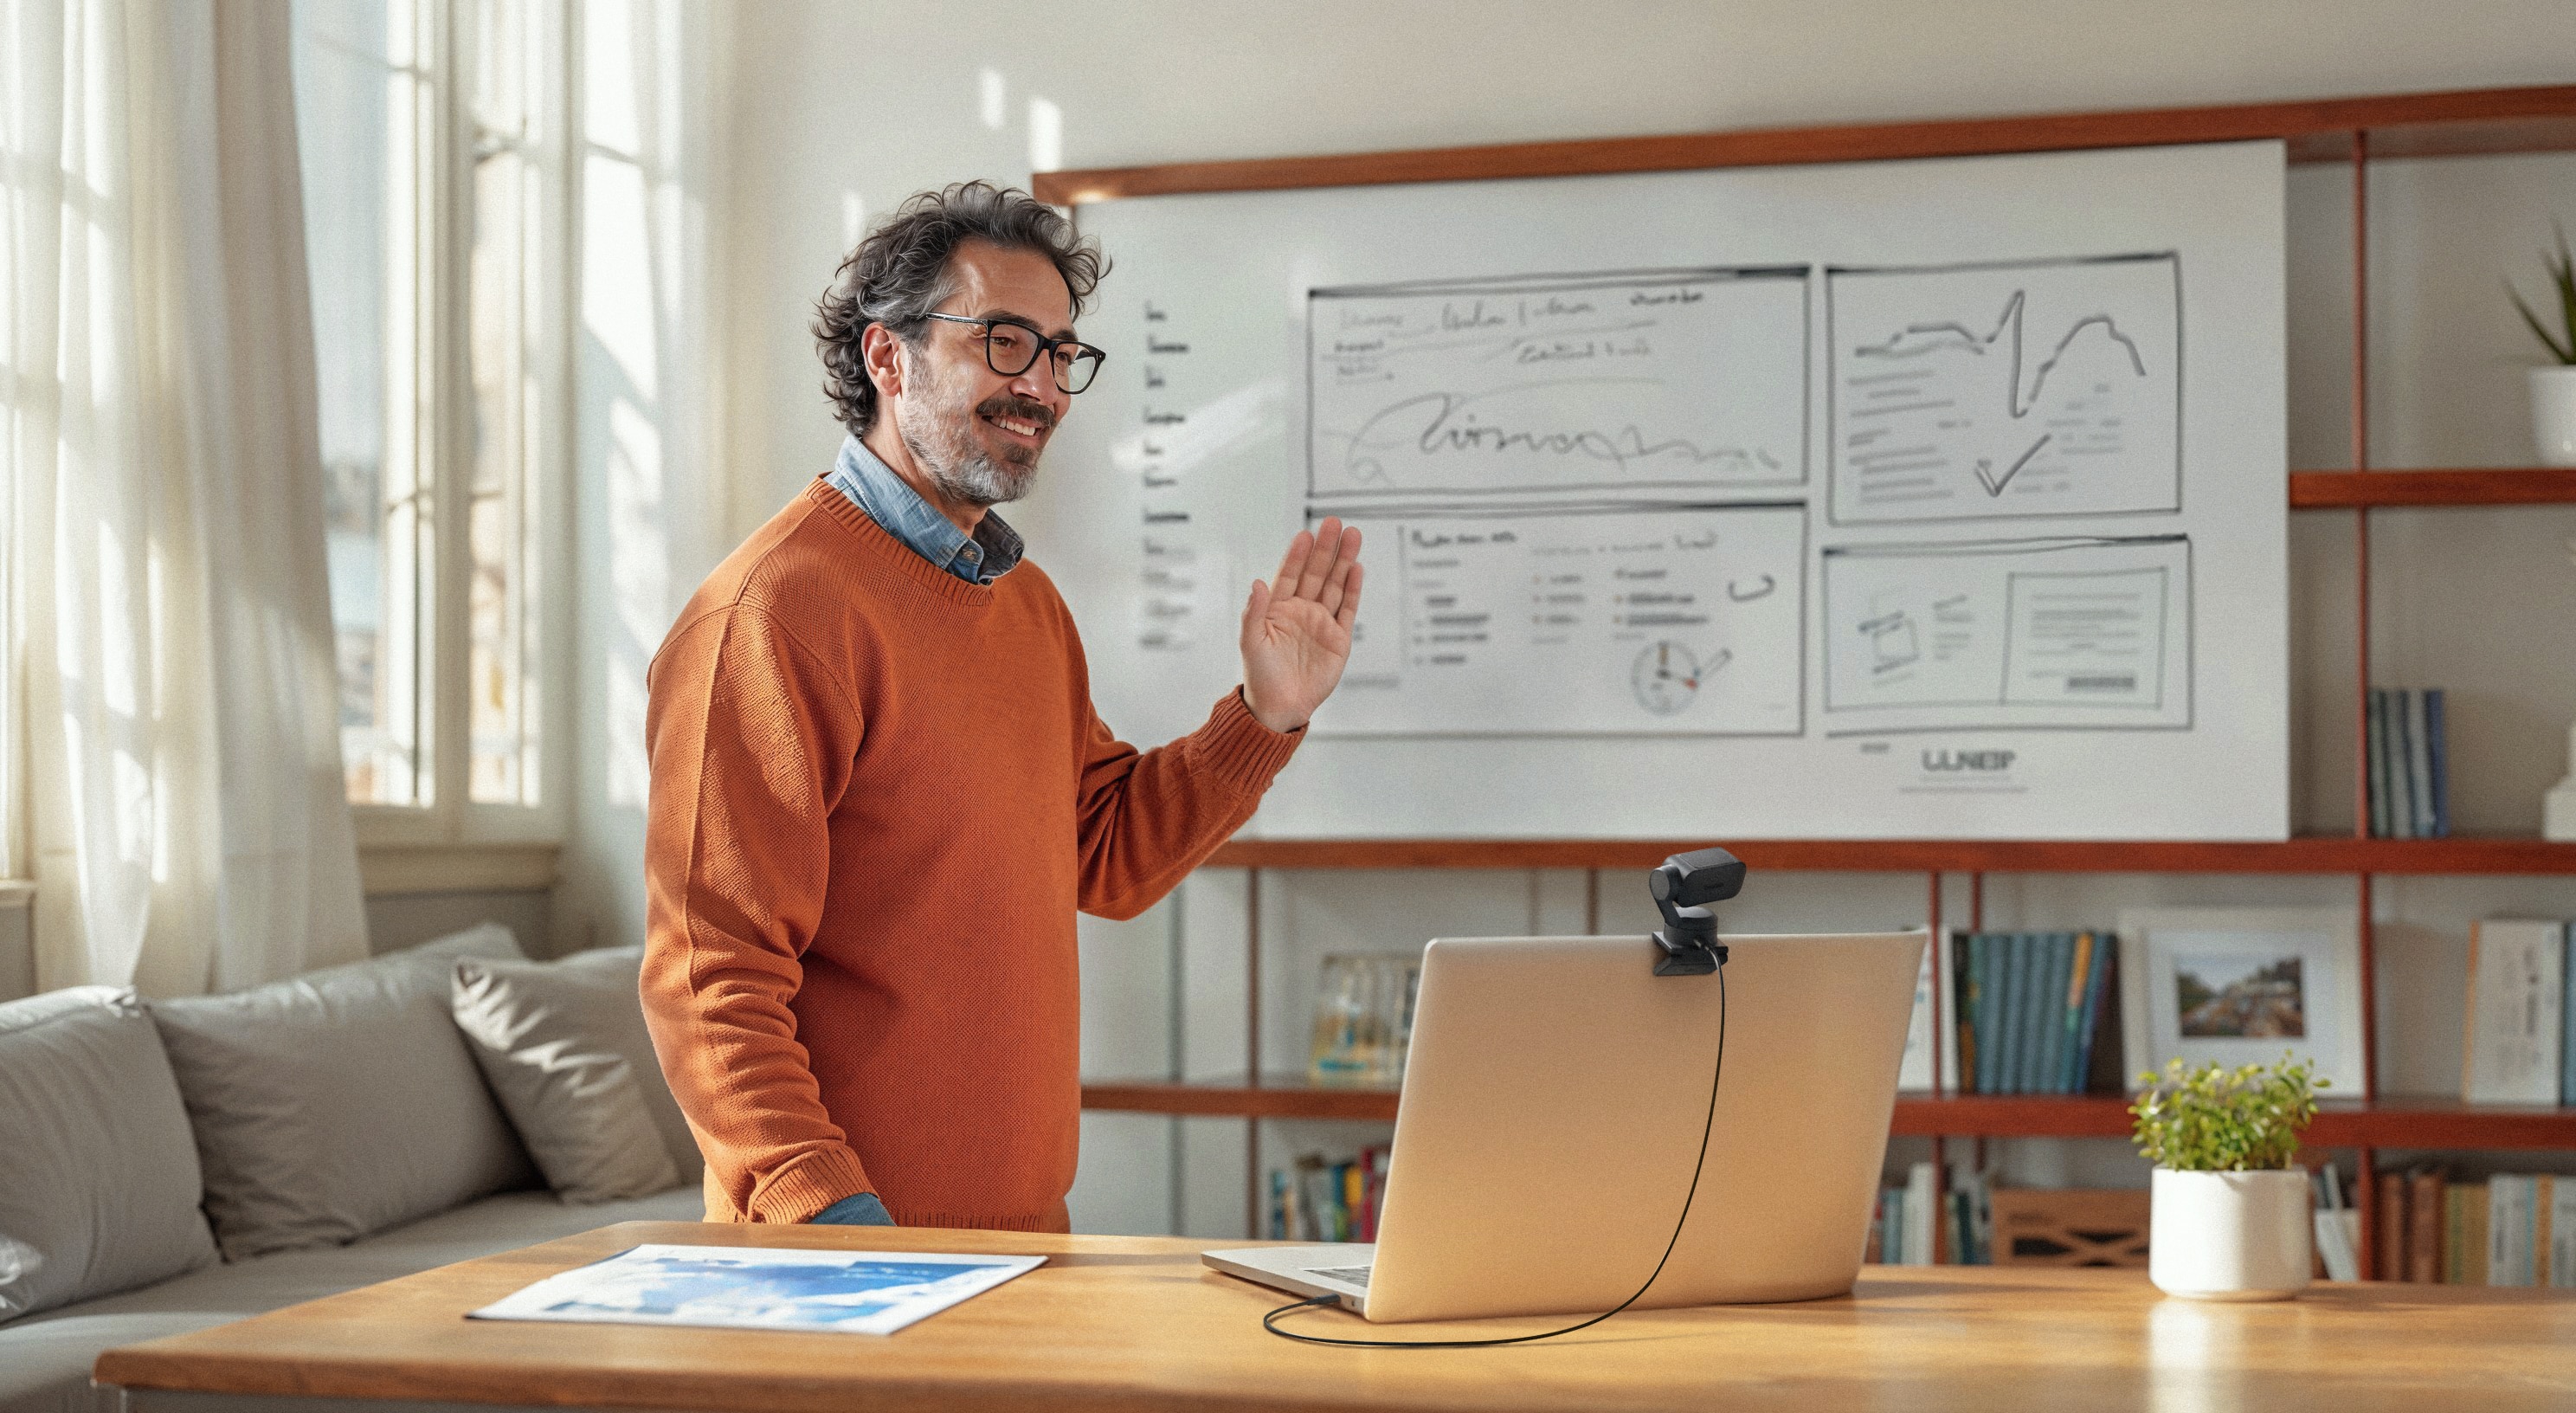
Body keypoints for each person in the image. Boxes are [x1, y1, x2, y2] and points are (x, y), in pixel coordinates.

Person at [641, 182, 1362, 1233]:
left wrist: (1263, 713)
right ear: (889, 359)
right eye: (1007, 343)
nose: (1046, 388)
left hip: (1023, 1247)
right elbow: (709, 978)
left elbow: (1103, 851)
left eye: (1063, 354)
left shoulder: (1023, 606)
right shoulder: (771, 615)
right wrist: (830, 1220)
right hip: (847, 1268)